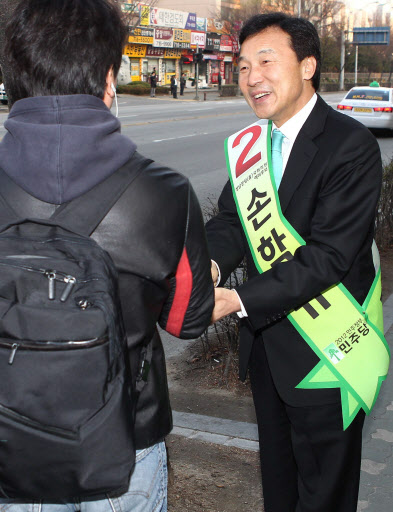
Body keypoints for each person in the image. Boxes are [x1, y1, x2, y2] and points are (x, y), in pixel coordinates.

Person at [0, 0, 214, 510]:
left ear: (13, 80)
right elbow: (188, 319)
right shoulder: (166, 192)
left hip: (12, 438)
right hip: (125, 436)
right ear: (110, 80)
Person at [206, 12, 383, 512]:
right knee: (279, 488)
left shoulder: (350, 145)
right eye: (242, 67)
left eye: (266, 60)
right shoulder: (251, 147)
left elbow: (328, 256)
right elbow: (230, 222)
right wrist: (211, 268)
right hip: (268, 353)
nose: (252, 77)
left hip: (329, 353)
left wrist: (236, 298)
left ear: (307, 66)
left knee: (324, 495)